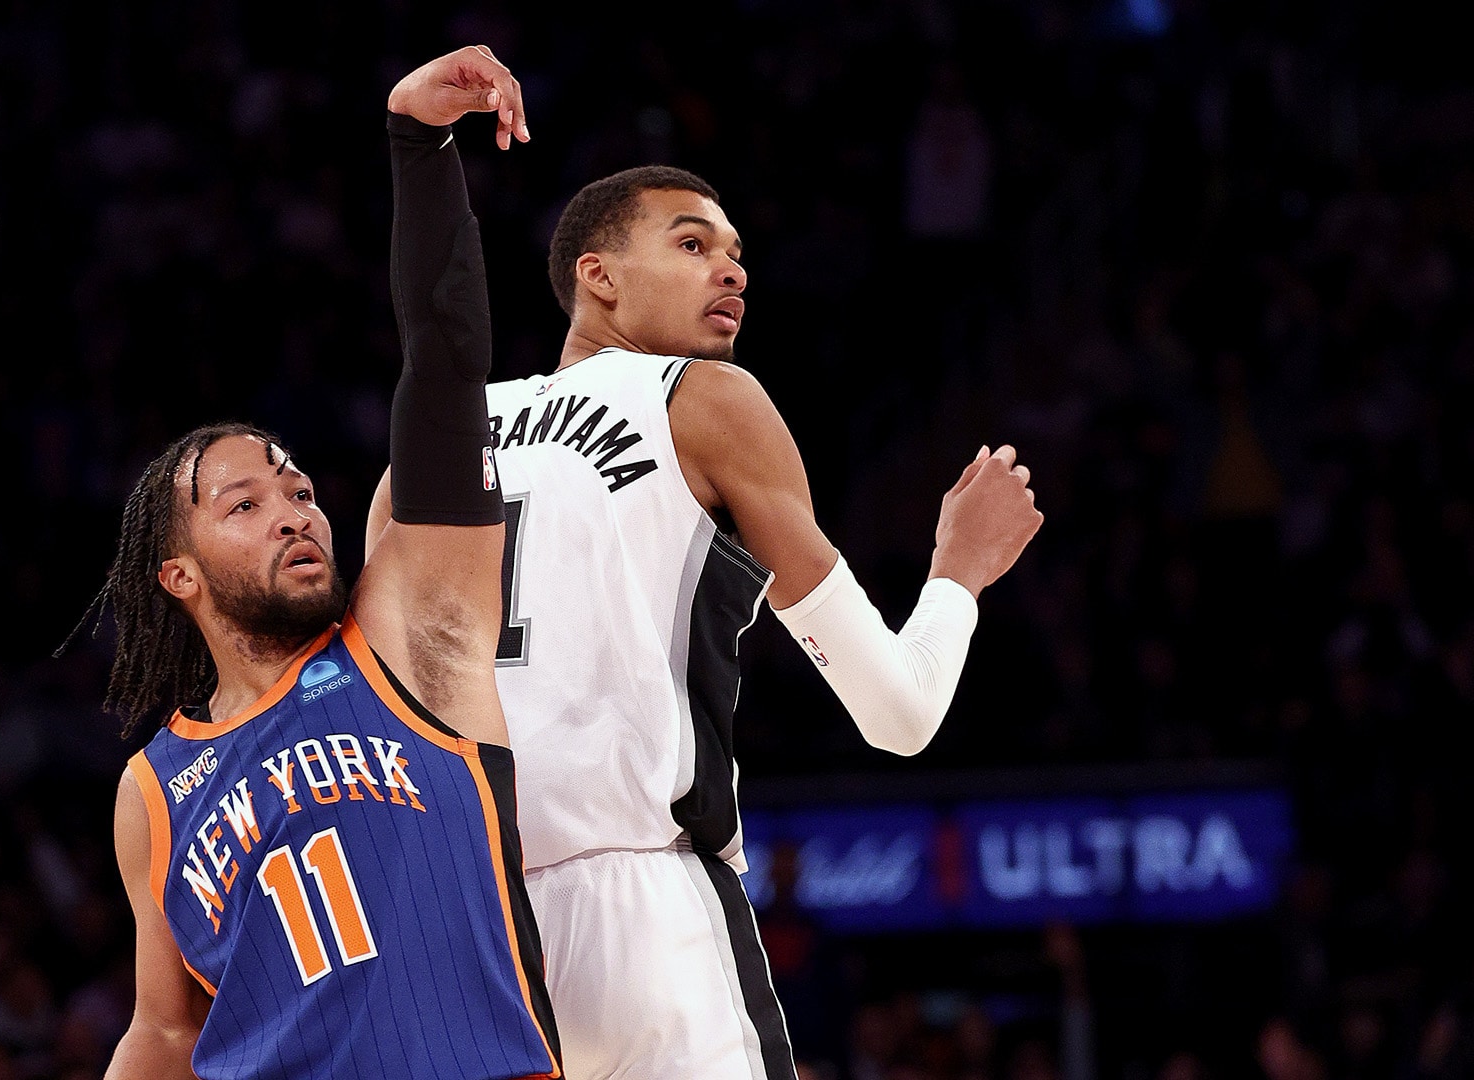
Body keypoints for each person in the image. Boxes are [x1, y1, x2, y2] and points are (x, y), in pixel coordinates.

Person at [367, 168, 1044, 1076]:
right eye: (692, 244)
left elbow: (376, 714)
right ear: (598, 275)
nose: (732, 272)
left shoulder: (433, 446)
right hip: (645, 914)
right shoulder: (702, 396)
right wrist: (960, 570)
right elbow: (899, 713)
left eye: (736, 255)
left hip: (461, 930)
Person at [84, 47, 560, 1080]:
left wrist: (418, 144)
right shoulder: (153, 790)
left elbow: (445, 361)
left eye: (299, 490)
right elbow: (164, 1031)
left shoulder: (404, 637)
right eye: (245, 504)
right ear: (178, 576)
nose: (293, 513)